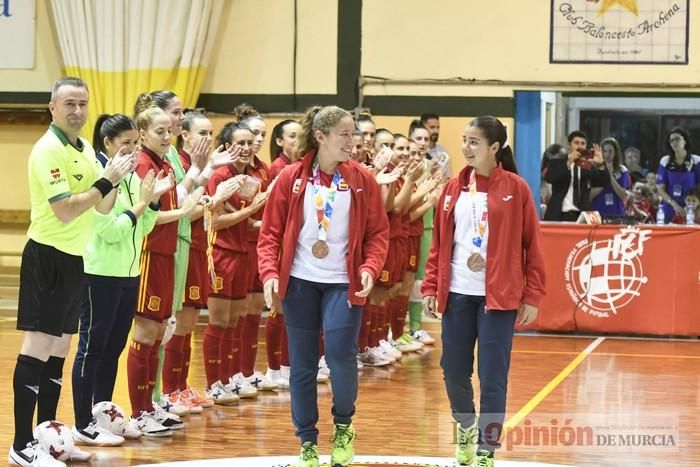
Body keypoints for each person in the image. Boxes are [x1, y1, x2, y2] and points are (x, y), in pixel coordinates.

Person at [10, 77, 133, 466]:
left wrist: (117, 176)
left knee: (60, 348)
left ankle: (49, 437)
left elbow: (101, 207)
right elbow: (65, 210)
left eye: (82, 104)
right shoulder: (48, 150)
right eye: (69, 104)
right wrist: (105, 180)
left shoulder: (83, 149)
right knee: (38, 348)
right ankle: (20, 445)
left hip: (74, 258)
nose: (77, 111)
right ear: (52, 107)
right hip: (46, 257)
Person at [257, 105, 389, 467]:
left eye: (355, 134)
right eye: (346, 134)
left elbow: (379, 234)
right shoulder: (291, 179)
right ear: (321, 137)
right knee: (301, 364)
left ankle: (344, 425)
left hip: (342, 285)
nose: (354, 141)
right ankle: (307, 441)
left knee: (341, 356)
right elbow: (269, 234)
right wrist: (269, 273)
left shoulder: (362, 180)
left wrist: (369, 267)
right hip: (299, 283)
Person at [422, 116, 546, 467]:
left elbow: (532, 246)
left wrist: (533, 295)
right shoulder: (451, 190)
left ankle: (486, 449)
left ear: (495, 148)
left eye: (474, 141)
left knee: (493, 376)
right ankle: (465, 426)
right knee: (454, 370)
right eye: (464, 140)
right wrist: (432, 285)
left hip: (499, 298)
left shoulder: (516, 189)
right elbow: (439, 246)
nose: (466, 147)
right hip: (457, 294)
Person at [70, 114, 167, 447]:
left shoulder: (129, 177)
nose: (132, 149)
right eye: (125, 143)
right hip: (99, 274)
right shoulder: (101, 178)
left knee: (113, 348)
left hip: (128, 274)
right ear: (107, 144)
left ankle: (103, 415)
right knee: (91, 349)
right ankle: (82, 422)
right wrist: (141, 205)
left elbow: (144, 228)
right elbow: (109, 232)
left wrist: (151, 201)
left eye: (135, 143)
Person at [125, 97, 202, 436]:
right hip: (149, 255)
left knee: (159, 332)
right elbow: (149, 218)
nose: (168, 137)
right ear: (141, 133)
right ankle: (137, 412)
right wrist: (185, 212)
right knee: (145, 332)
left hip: (167, 256)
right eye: (160, 131)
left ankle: (149, 406)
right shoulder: (143, 164)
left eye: (170, 132)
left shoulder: (166, 165)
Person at [163, 111, 242, 407]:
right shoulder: (181, 165)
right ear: (185, 135)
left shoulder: (203, 165)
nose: (208, 139)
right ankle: (170, 390)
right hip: (182, 246)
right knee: (178, 322)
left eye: (211, 134)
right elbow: (184, 212)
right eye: (202, 133)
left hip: (198, 249)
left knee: (189, 321)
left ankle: (180, 386)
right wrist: (215, 199)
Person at [203, 122, 268, 400]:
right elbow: (214, 221)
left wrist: (258, 221)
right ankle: (213, 383)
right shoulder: (220, 176)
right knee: (219, 320)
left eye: (248, 142)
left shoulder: (250, 178)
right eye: (238, 143)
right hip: (221, 253)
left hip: (242, 253)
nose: (245, 148)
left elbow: (244, 219)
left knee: (234, 320)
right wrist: (250, 212)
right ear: (227, 146)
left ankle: (229, 378)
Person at [264, 119, 302, 388]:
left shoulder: (299, 168)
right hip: (279, 246)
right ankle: (274, 368)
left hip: (295, 246)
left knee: (291, 311)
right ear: (279, 141)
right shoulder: (278, 170)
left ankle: (287, 365)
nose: (297, 141)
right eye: (292, 136)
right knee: (279, 308)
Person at [543, 130, 609, 221]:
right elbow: (550, 178)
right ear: (569, 146)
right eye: (576, 143)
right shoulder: (557, 162)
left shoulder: (588, 165)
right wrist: (569, 162)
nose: (580, 146)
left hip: (582, 216)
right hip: (560, 214)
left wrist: (601, 165)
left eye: (583, 144)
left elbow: (603, 183)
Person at [655, 127, 700, 224]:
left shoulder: (696, 161)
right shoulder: (665, 161)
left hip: (692, 210)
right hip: (670, 209)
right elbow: (660, 188)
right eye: (671, 140)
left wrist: (694, 205)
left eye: (677, 139)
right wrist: (674, 204)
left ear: (685, 141)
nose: (674, 142)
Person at [590, 137, 632, 217]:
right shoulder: (594, 169)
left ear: (615, 153)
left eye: (610, 151)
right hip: (597, 214)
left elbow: (623, 196)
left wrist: (610, 175)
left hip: (617, 214)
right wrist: (604, 176)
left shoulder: (622, 170)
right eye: (604, 151)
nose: (607, 155)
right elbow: (589, 196)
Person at [421, 112, 451, 177]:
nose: (436, 131)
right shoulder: (418, 152)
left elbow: (447, 177)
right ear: (423, 128)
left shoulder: (444, 152)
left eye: (438, 127)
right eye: (432, 127)